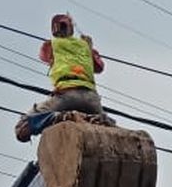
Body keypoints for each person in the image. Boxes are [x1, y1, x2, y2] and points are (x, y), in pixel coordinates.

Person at [15, 13, 106, 141]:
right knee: (108, 127)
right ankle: (104, 121)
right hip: (92, 99)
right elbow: (100, 67)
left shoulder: (51, 45)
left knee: (22, 127)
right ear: (71, 28)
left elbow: (43, 56)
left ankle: (60, 117)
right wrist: (90, 48)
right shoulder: (86, 46)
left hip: (66, 95)